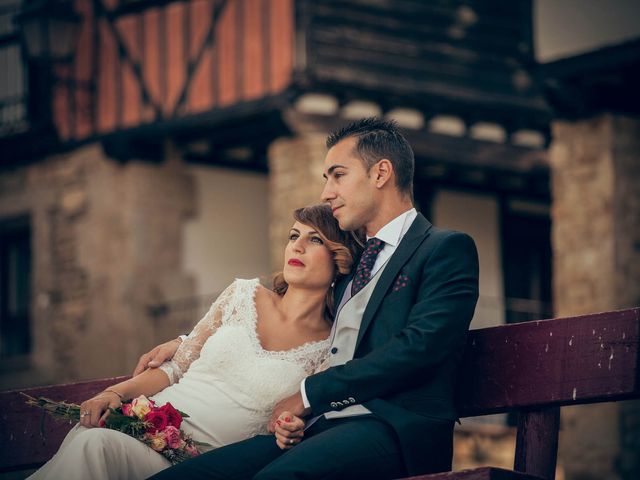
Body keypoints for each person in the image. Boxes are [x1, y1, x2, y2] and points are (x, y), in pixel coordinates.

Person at [145, 117, 480, 480]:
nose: (326, 193)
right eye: (326, 179)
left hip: (394, 428)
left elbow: (422, 346)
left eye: (338, 175)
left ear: (381, 173)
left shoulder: (444, 249)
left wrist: (308, 394)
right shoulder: (351, 266)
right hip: (321, 425)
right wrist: (187, 342)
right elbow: (296, 317)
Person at [27, 204, 362, 480]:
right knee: (93, 440)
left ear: (340, 259)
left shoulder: (329, 349)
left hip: (199, 463)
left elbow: (299, 417)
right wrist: (113, 393)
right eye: (293, 236)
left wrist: (289, 429)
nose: (296, 246)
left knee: (95, 447)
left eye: (314, 239)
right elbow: (176, 368)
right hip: (147, 424)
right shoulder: (242, 295)